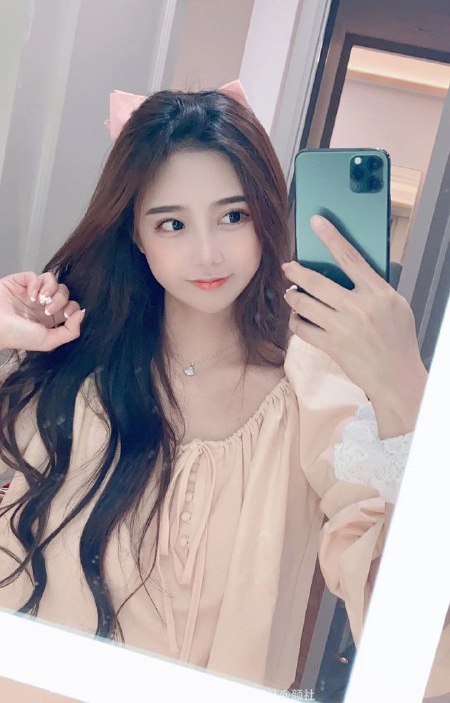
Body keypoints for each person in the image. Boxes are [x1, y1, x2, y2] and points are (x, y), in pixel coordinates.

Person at [0, 82, 446, 699]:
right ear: (136, 234)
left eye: (233, 216)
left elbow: (421, 641)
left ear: (266, 217)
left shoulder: (312, 393)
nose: (208, 254)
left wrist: (407, 392)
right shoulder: (73, 373)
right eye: (173, 223)